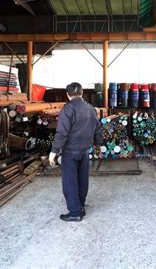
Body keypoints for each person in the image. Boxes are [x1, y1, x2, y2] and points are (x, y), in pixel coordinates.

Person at [49, 82, 103, 222]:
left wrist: (54, 151)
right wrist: (98, 144)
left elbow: (62, 133)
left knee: (70, 182)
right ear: (82, 92)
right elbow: (98, 128)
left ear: (68, 94)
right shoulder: (90, 108)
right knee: (82, 180)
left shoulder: (68, 109)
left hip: (70, 152)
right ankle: (81, 206)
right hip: (85, 150)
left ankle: (75, 212)